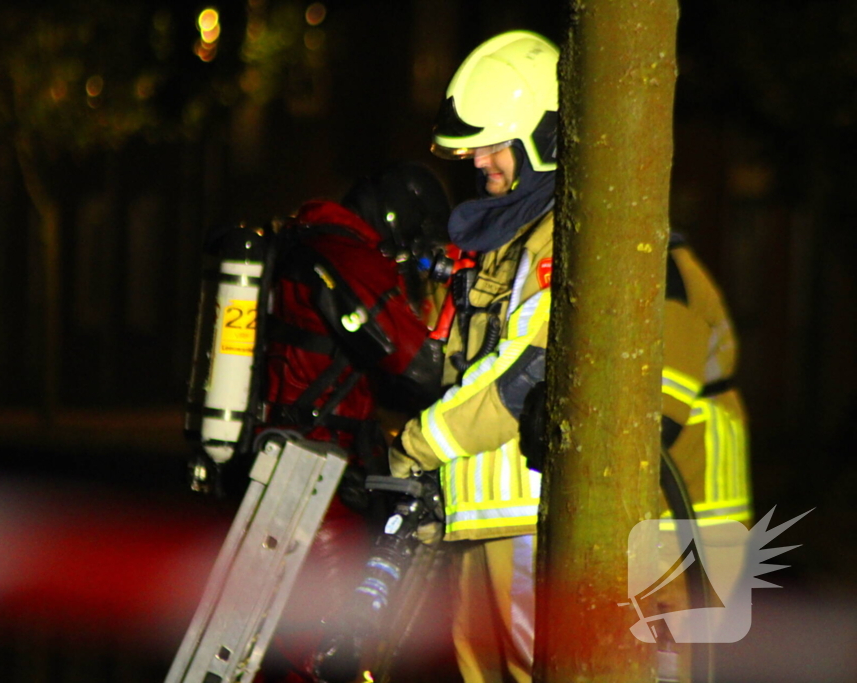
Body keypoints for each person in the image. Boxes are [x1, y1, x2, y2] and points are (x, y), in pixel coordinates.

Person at [387, 31, 752, 683]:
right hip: (513, 524)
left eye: (491, 144)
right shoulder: (518, 239)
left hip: (655, 537)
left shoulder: (599, 247)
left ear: (543, 139)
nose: (477, 162)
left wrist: (418, 442)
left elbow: (530, 379)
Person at [257, 161, 451, 682]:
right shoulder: (349, 256)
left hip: (274, 462)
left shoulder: (301, 241)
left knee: (272, 636)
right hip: (315, 482)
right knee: (332, 644)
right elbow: (416, 365)